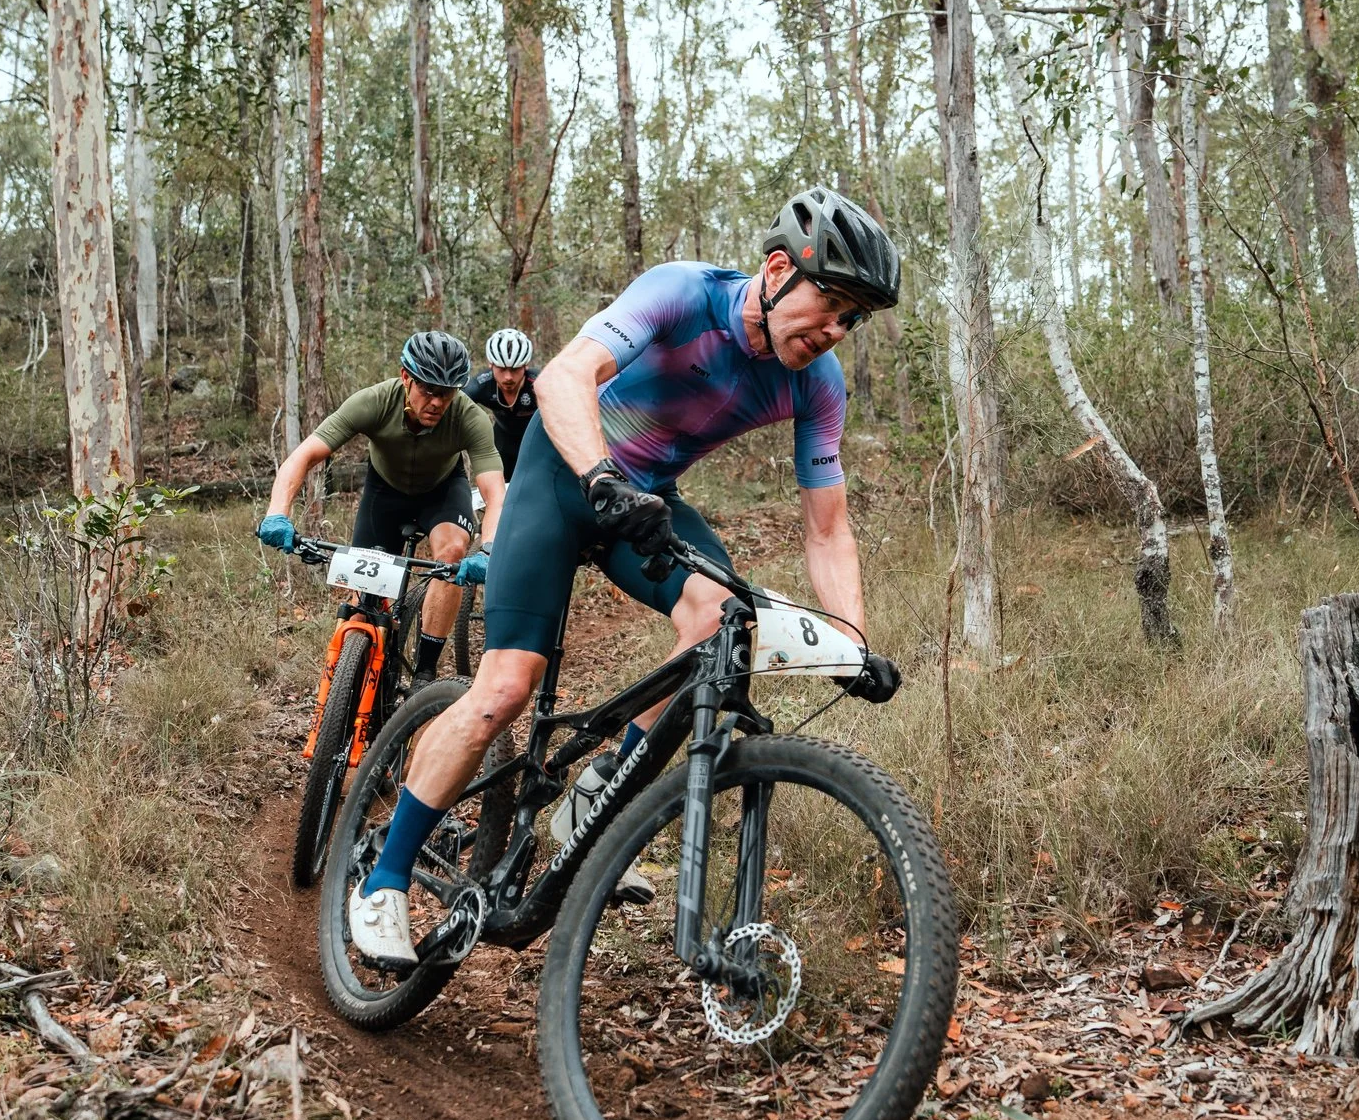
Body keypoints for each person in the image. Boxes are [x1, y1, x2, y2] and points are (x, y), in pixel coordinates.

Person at [337, 187, 905, 964]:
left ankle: (600, 786)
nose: (835, 329)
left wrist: (851, 639)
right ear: (778, 268)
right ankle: (384, 877)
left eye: (852, 319)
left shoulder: (818, 382)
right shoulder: (682, 294)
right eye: (831, 303)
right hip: (561, 474)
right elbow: (565, 377)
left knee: (721, 619)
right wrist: (600, 474)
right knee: (506, 686)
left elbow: (827, 523)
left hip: (644, 500)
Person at [258, 332, 505, 684]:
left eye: (447, 393)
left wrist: (490, 549)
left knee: (451, 553)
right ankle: (347, 689)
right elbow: (304, 455)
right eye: (428, 390)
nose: (437, 402)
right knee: (361, 609)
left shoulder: (469, 417)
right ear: (406, 377)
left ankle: (424, 672)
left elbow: (494, 493)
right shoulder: (373, 402)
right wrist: (277, 513)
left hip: (442, 492)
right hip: (384, 493)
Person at [463, 327, 539, 477]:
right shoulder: (482, 384)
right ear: (491, 364)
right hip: (503, 441)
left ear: (526, 366)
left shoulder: (538, 383)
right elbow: (453, 406)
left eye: (515, 369)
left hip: (535, 443)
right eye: (502, 369)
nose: (508, 377)